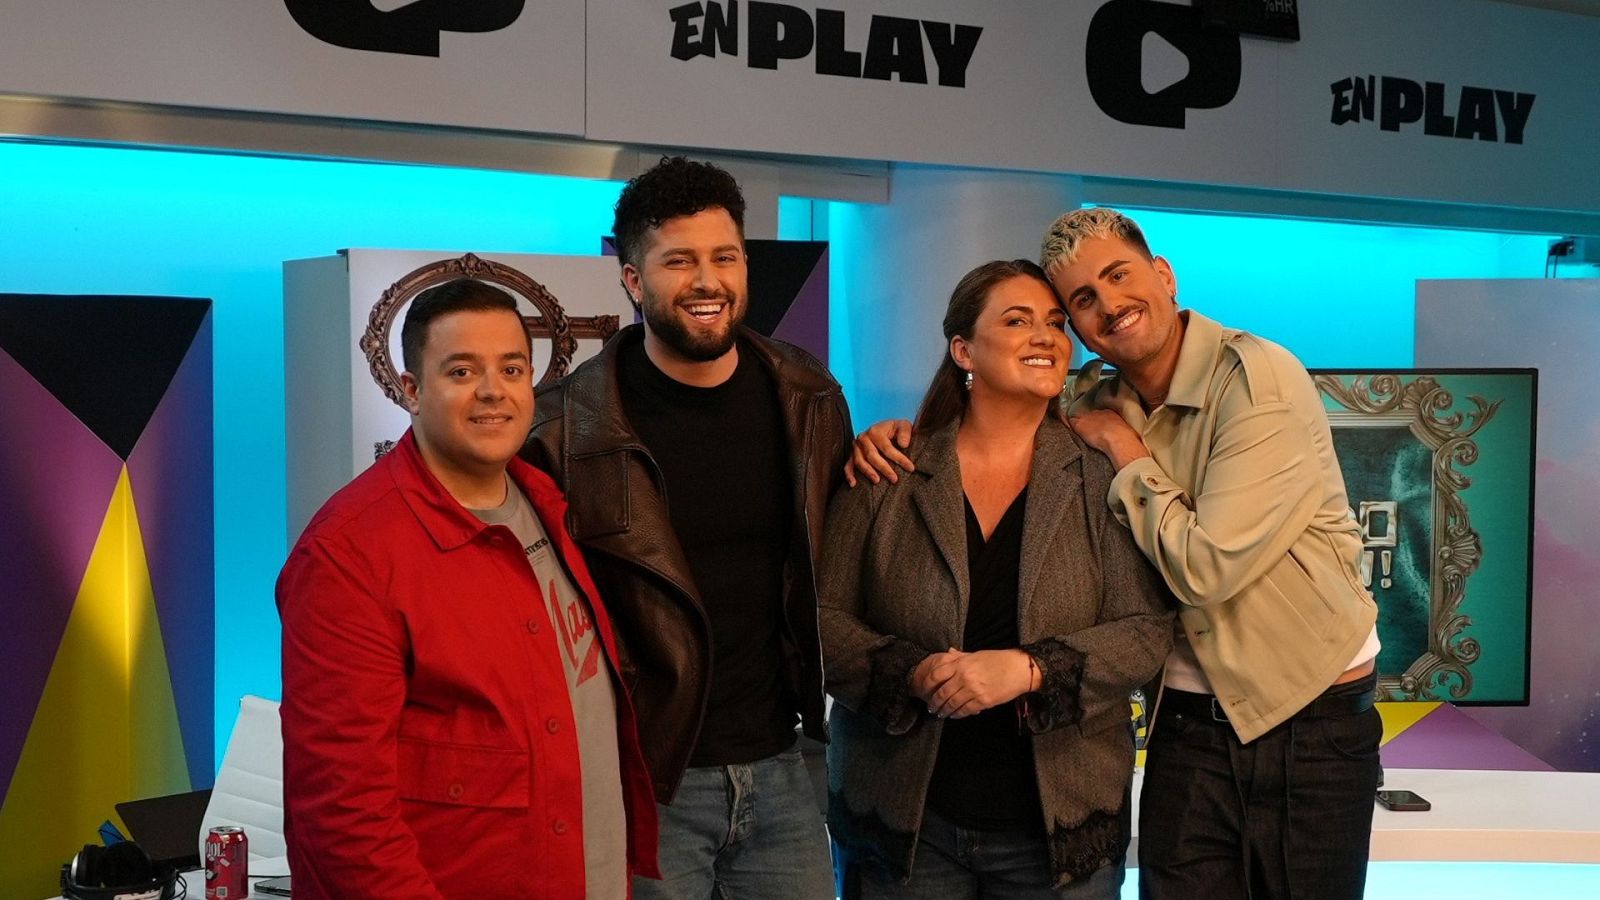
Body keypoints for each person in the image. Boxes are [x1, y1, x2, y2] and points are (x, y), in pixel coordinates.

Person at [849, 209, 1383, 900]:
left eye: (1118, 275)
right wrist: (898, 436)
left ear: (1163, 276)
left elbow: (1204, 569)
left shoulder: (1258, 381)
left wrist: (1127, 453)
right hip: (1186, 720)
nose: (1108, 306)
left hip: (1306, 716)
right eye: (1082, 300)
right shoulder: (1096, 396)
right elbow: (1004, 400)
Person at [522, 156, 851, 900]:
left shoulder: (809, 395)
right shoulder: (562, 429)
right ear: (633, 281)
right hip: (647, 781)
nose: (708, 281)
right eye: (679, 261)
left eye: (724, 257)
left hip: (785, 771)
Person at [278, 279, 658, 899]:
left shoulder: (548, 504)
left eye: (512, 368)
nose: (493, 392)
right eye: (460, 370)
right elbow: (343, 816)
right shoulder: (349, 555)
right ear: (411, 391)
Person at [820, 259, 1172, 898]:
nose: (1047, 336)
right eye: (1018, 321)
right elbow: (819, 622)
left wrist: (1030, 670)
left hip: (1062, 835)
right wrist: (909, 672)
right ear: (963, 350)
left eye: (1056, 323)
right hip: (906, 826)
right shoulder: (888, 470)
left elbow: (1147, 632)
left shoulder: (1098, 477)